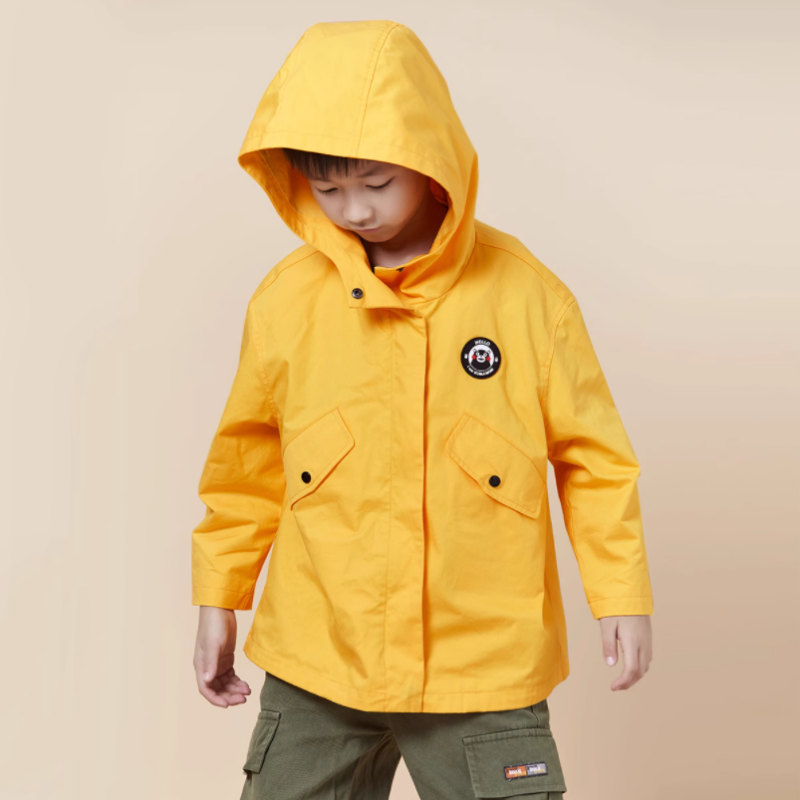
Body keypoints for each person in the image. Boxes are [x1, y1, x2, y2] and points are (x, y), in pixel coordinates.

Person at [191, 19, 654, 799]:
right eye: (328, 189)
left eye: (376, 183)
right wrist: (218, 597)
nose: (355, 210)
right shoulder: (286, 302)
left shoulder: (527, 298)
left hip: (484, 664)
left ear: (432, 157)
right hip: (320, 656)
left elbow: (595, 462)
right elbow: (245, 467)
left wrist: (622, 596)